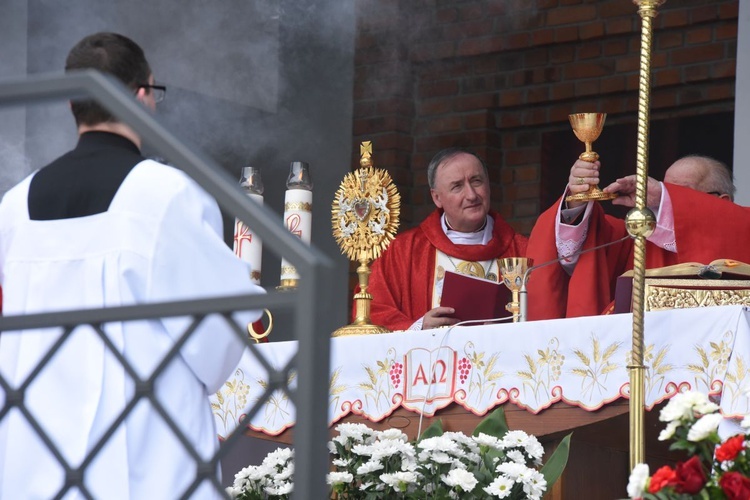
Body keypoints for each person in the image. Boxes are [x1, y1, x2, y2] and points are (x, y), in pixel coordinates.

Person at [0, 32, 264, 498]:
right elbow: (216, 340)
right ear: (143, 95)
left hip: (34, 455)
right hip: (143, 453)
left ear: (71, 105)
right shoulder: (165, 195)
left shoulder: (13, 206)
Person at [526, 154, 750, 320]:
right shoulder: (638, 239)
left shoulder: (742, 225)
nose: (662, 202)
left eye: (681, 193)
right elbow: (592, 249)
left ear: (723, 203)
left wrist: (664, 195)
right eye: (667, 190)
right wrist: (578, 200)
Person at [367, 147, 528, 331]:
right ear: (437, 198)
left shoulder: (522, 250)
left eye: (476, 181)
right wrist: (418, 327)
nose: (471, 195)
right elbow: (373, 311)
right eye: (457, 186)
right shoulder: (403, 252)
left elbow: (546, 311)